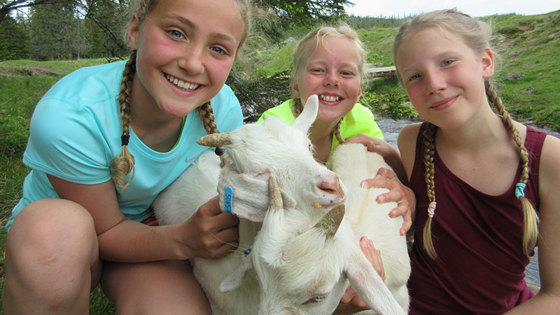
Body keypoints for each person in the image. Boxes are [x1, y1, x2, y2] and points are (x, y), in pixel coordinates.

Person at [3, 0, 252, 313]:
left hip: (150, 232)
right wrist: (183, 241)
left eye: (218, 49)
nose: (192, 63)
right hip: (68, 239)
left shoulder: (223, 109)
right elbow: (106, 229)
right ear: (136, 30)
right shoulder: (70, 116)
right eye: (176, 33)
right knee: (52, 233)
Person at [393, 9, 560, 313]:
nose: (434, 83)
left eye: (447, 62)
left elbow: (556, 296)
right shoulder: (410, 143)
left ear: (485, 62)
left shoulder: (549, 159)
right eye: (415, 76)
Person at [258, 24, 415, 314]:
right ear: (295, 83)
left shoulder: (361, 118)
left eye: (346, 73)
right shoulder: (275, 125)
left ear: (360, 88)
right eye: (318, 70)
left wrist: (396, 168)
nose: (332, 80)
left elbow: (377, 177)